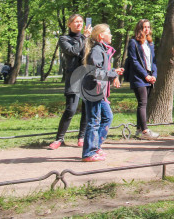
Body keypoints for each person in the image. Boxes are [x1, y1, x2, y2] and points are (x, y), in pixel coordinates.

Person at [81, 24, 123, 162]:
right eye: (109, 33)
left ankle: (96, 146)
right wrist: (112, 74)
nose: (111, 35)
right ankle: (88, 153)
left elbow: (102, 70)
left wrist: (113, 74)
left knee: (107, 117)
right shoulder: (97, 51)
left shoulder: (103, 50)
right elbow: (96, 73)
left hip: (100, 92)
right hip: (93, 91)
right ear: (101, 36)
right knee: (94, 121)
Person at [49, 14, 90, 150]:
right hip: (73, 78)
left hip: (87, 77)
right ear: (69, 24)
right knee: (70, 109)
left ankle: (82, 137)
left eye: (81, 22)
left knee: (86, 109)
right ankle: (59, 138)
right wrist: (84, 38)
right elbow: (73, 51)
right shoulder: (64, 39)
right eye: (76, 22)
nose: (79, 24)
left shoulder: (88, 39)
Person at [126, 19, 159, 140]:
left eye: (148, 27)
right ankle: (145, 131)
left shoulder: (150, 43)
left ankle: (139, 129)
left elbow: (153, 61)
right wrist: (145, 75)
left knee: (144, 103)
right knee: (142, 102)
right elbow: (134, 61)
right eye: (144, 27)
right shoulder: (133, 42)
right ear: (139, 28)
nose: (147, 29)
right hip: (138, 77)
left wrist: (154, 74)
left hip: (149, 76)